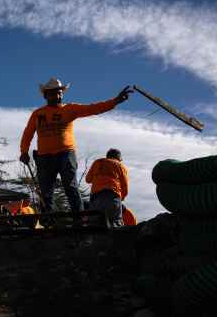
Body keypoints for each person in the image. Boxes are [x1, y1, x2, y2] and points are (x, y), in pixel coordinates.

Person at [20, 77, 133, 215]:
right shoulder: (37, 114)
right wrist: (24, 151)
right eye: (53, 93)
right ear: (46, 95)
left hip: (65, 153)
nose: (57, 95)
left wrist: (115, 101)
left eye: (59, 92)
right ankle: (47, 220)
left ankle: (79, 218)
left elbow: (93, 108)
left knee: (70, 186)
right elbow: (28, 133)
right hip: (44, 157)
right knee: (46, 191)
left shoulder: (70, 109)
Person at [85, 148, 129, 228]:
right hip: (113, 197)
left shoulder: (97, 162)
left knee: (95, 225)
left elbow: (88, 179)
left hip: (96, 198)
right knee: (116, 224)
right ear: (118, 158)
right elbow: (125, 187)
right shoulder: (120, 166)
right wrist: (121, 199)